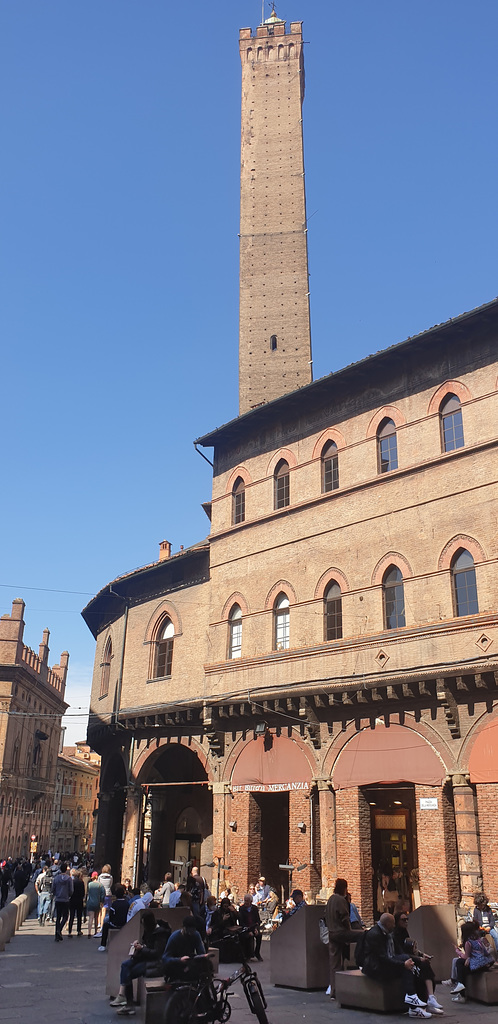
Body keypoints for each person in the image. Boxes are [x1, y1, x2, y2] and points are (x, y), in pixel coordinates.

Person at [360, 913, 432, 1018]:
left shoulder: (389, 933)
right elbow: (382, 958)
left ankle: (415, 1001)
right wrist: (403, 964)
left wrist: (412, 960)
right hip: (375, 967)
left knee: (414, 967)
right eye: (393, 923)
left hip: (386, 962)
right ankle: (414, 1005)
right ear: (387, 924)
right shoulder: (375, 934)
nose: (394, 926)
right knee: (407, 966)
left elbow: (400, 952)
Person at [110, 910, 172, 1016]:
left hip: (154, 963)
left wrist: (142, 948)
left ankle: (126, 1001)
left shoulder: (160, 934)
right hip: (145, 958)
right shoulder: (150, 930)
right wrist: (139, 946)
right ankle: (123, 997)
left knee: (128, 972)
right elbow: (146, 944)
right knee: (125, 965)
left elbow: (157, 953)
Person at [325, 878, 363, 999]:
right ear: (344, 888)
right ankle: (361, 961)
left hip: (331, 933)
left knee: (334, 963)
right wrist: (349, 931)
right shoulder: (341, 900)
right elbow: (345, 918)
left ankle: (334, 991)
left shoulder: (330, 899)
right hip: (340, 932)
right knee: (363, 935)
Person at [451, 921, 496, 1001]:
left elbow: (465, 956)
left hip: (477, 966)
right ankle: (460, 987)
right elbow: (485, 952)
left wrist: (457, 951)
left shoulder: (468, 942)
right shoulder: (478, 940)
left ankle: (460, 989)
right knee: (462, 966)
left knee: (459, 963)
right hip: (485, 963)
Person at [162, 915, 212, 980]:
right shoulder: (175, 937)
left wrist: (204, 956)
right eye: (189, 931)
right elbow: (165, 958)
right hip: (177, 964)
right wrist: (179, 960)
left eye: (192, 931)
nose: (190, 933)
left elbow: (201, 952)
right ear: (184, 928)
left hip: (189, 962)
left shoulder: (196, 935)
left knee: (207, 965)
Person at [98, 883, 129, 950]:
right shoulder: (127, 903)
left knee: (105, 924)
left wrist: (112, 921)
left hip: (115, 924)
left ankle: (103, 945)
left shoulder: (114, 904)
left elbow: (111, 915)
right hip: (125, 923)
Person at [52, 861, 74, 942]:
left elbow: (53, 889)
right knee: (65, 916)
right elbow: (71, 890)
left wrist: (56, 894)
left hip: (58, 899)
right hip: (65, 899)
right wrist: (69, 895)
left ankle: (56, 935)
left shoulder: (56, 878)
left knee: (58, 917)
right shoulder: (69, 879)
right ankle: (59, 930)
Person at [238, 894, 263, 961]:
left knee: (259, 936)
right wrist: (248, 931)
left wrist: (256, 928)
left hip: (253, 927)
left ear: (251, 901)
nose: (246, 902)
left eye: (247, 901)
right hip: (246, 928)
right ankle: (248, 955)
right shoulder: (242, 909)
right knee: (247, 936)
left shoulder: (254, 908)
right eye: (245, 901)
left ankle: (257, 953)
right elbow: (241, 921)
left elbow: (258, 920)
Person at [86, 870, 105, 937]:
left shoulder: (89, 884)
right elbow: (103, 894)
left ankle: (89, 932)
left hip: (90, 902)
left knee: (90, 917)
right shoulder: (100, 885)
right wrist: (102, 901)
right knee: (96, 918)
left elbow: (87, 893)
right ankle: (96, 931)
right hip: (97, 902)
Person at [68, 868, 85, 936]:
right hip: (79, 900)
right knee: (79, 916)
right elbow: (83, 892)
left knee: (71, 916)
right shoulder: (81, 882)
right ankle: (79, 930)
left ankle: (70, 931)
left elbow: (70, 891)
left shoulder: (72, 882)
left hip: (72, 900)